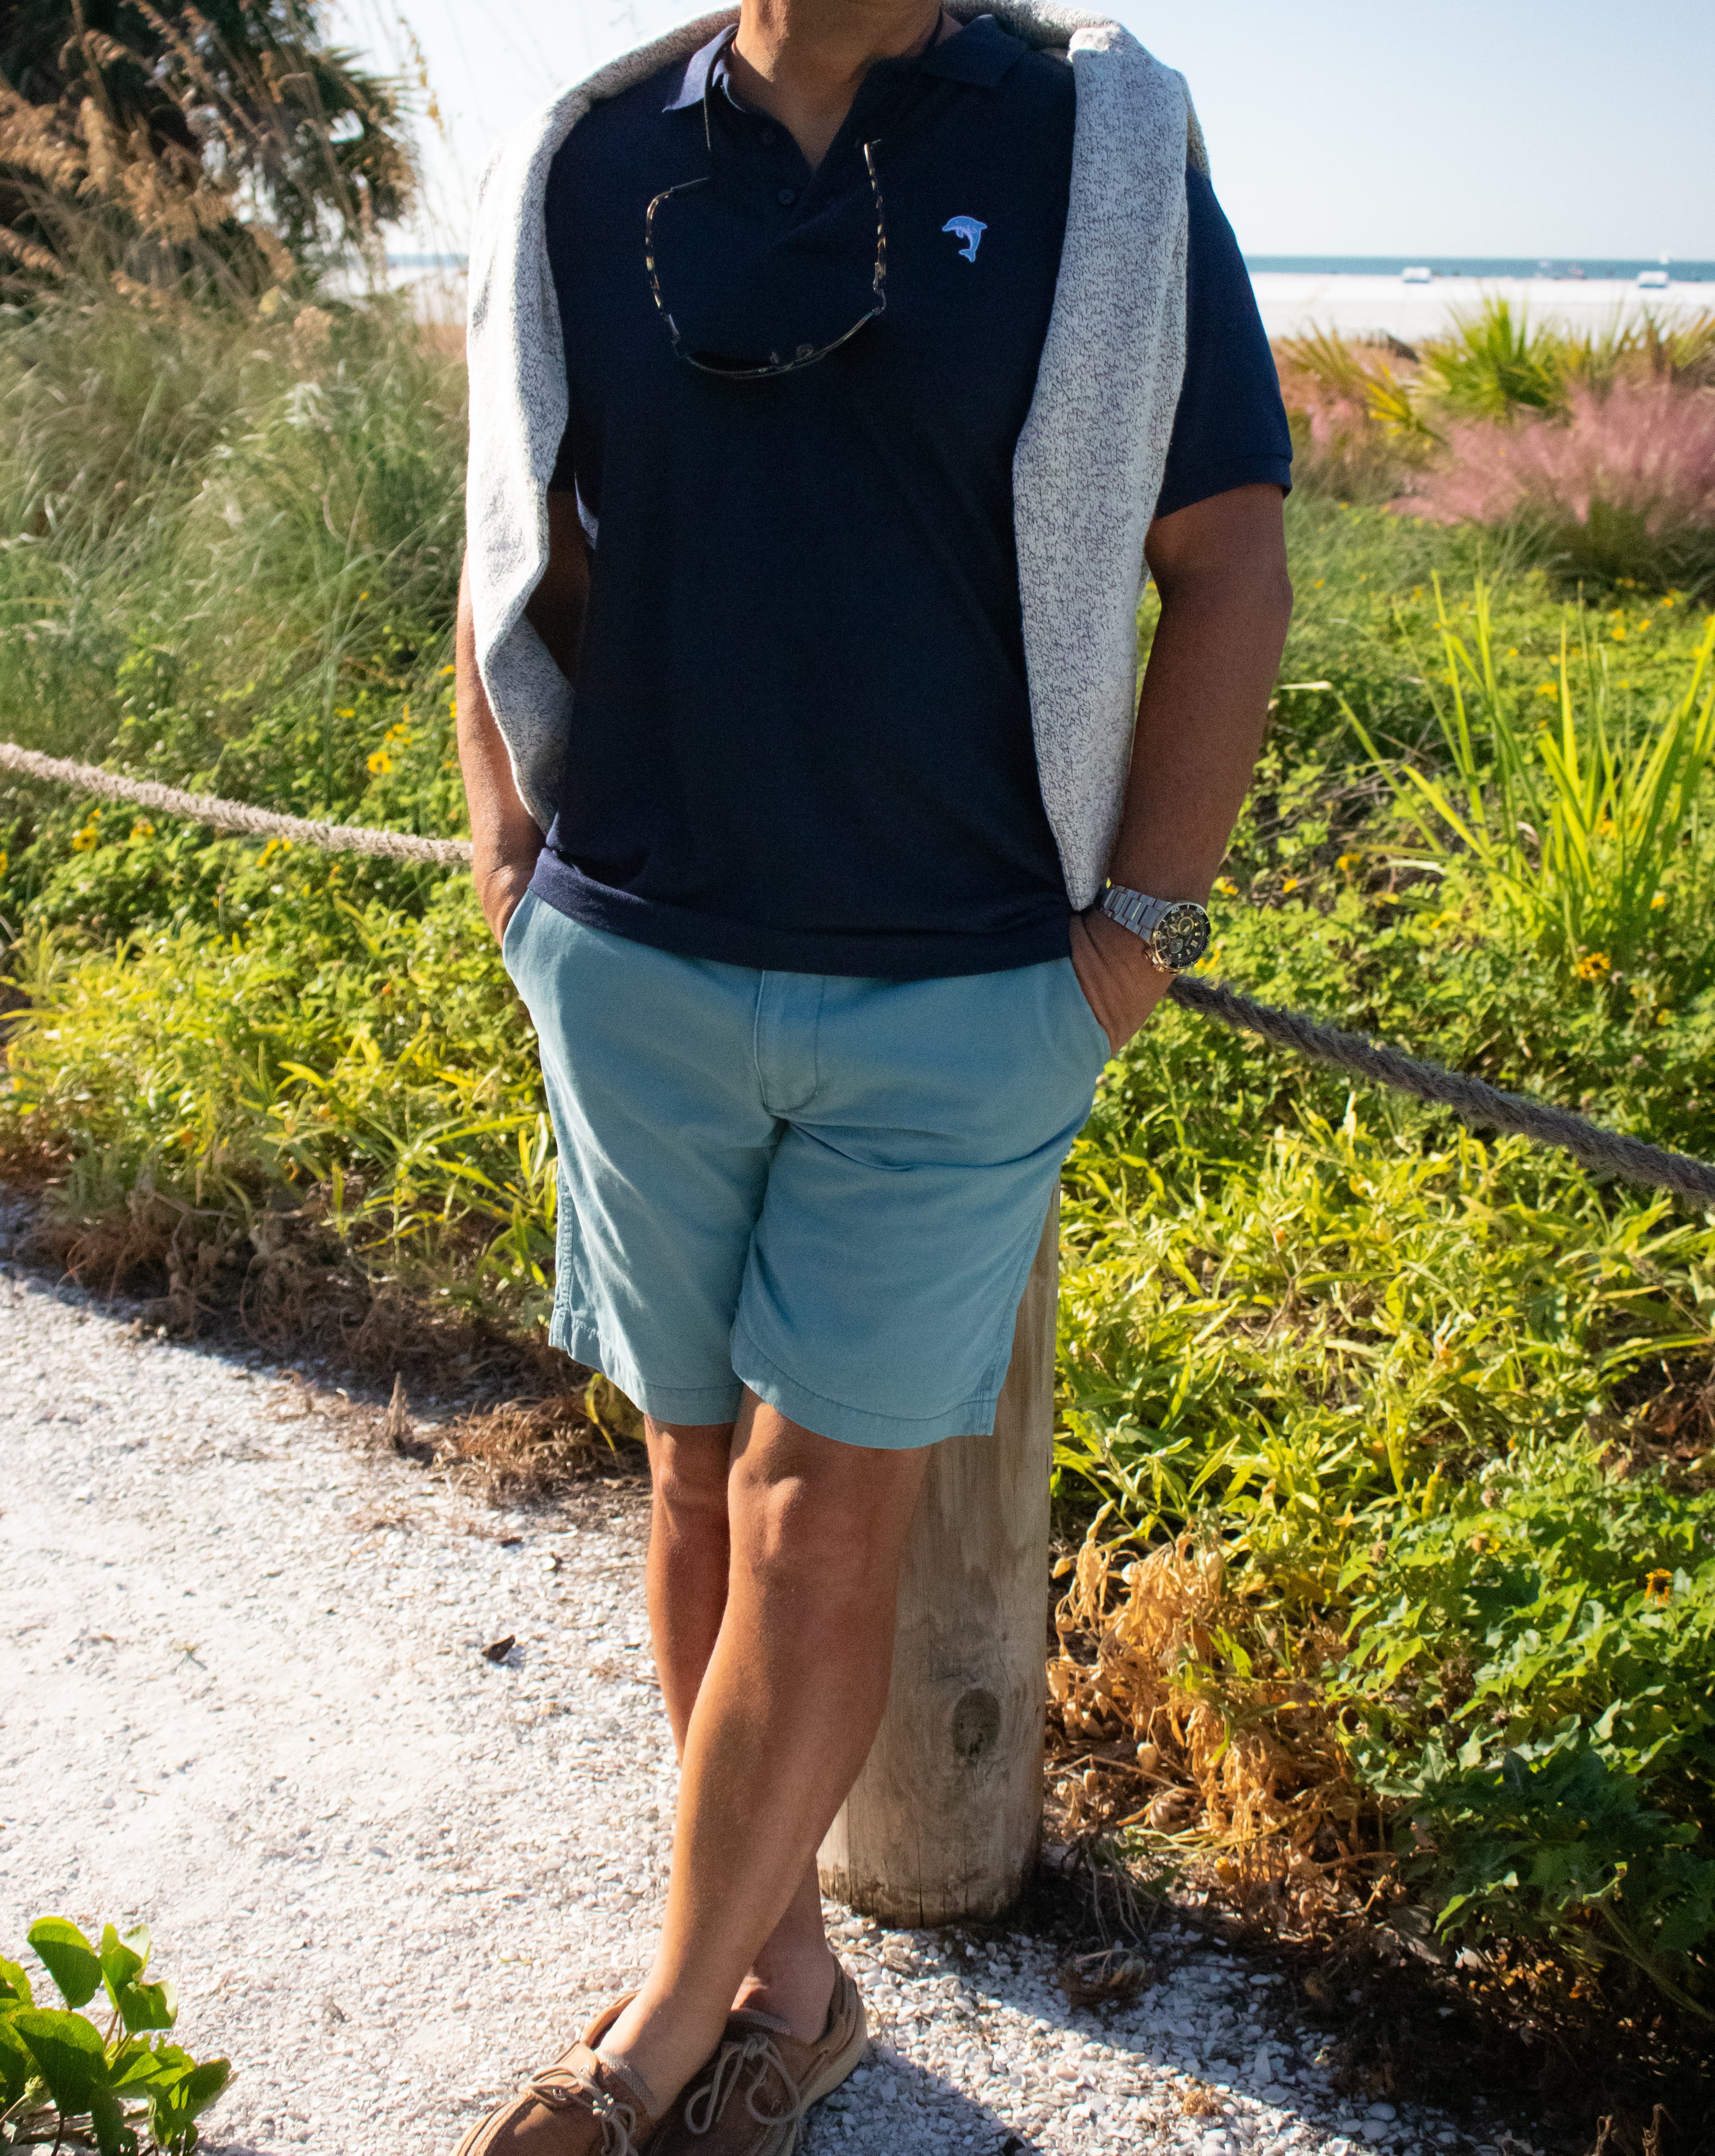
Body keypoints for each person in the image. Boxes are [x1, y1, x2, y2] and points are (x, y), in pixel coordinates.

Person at [452, 0, 1292, 2146]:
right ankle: (789, 1978)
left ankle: (645, 2048)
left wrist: (1134, 936)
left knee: (818, 1510)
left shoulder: (1094, 150)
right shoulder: (590, 157)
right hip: (637, 963)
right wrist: (510, 859)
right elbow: (510, 522)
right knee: (691, 1479)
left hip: (960, 994)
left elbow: (1224, 557)